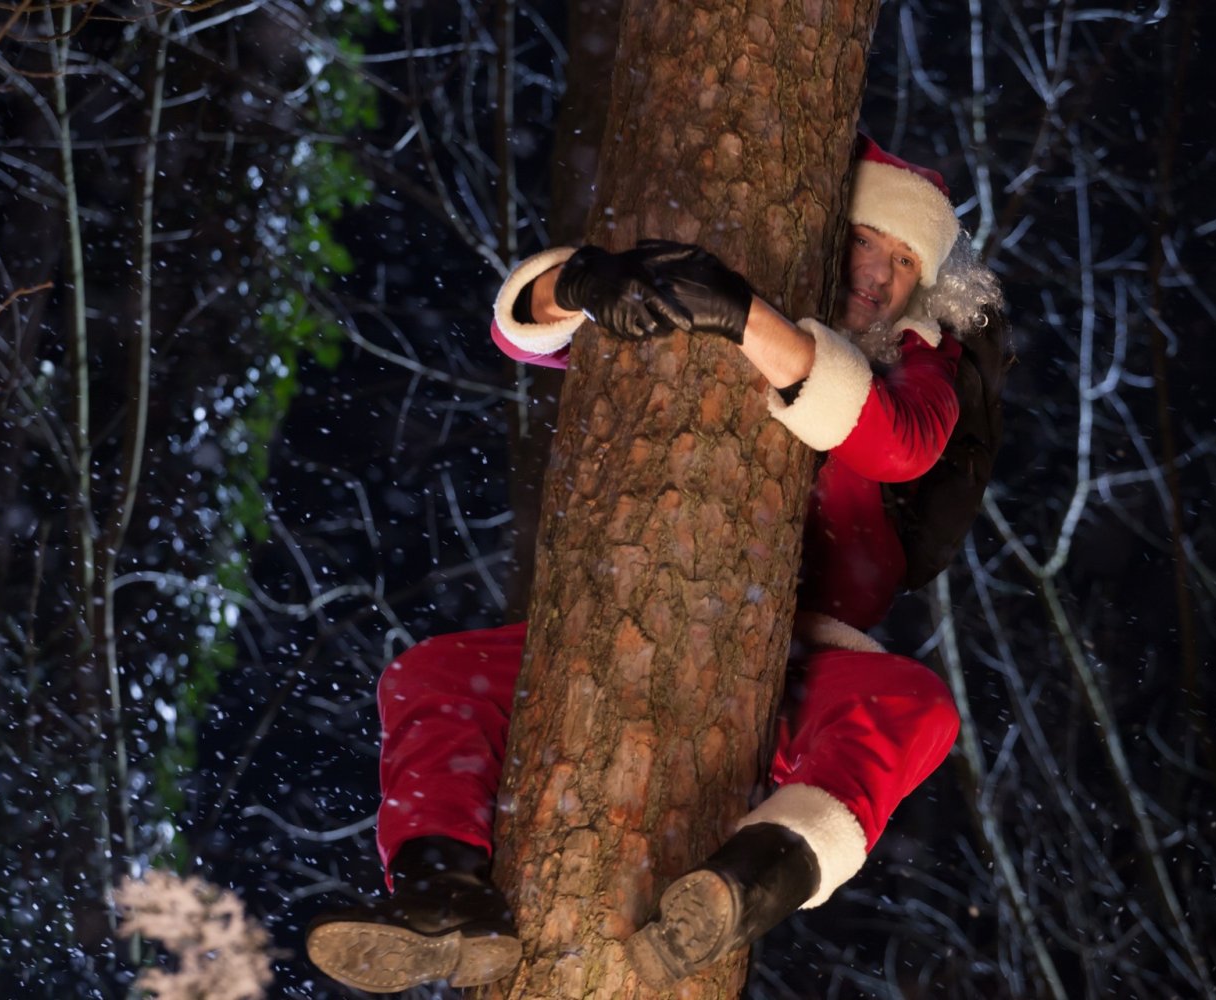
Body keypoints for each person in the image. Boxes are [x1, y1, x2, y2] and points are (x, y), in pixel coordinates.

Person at [305, 136, 1005, 993]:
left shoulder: (921, 356)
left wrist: (742, 316)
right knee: (436, 674)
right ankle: (442, 899)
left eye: (906, 260)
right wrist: (587, 284)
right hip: (631, 615)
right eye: (870, 239)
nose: (882, 273)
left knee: (915, 707)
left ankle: (754, 880)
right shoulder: (740, 309)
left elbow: (898, 447)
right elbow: (522, 333)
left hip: (795, 662)